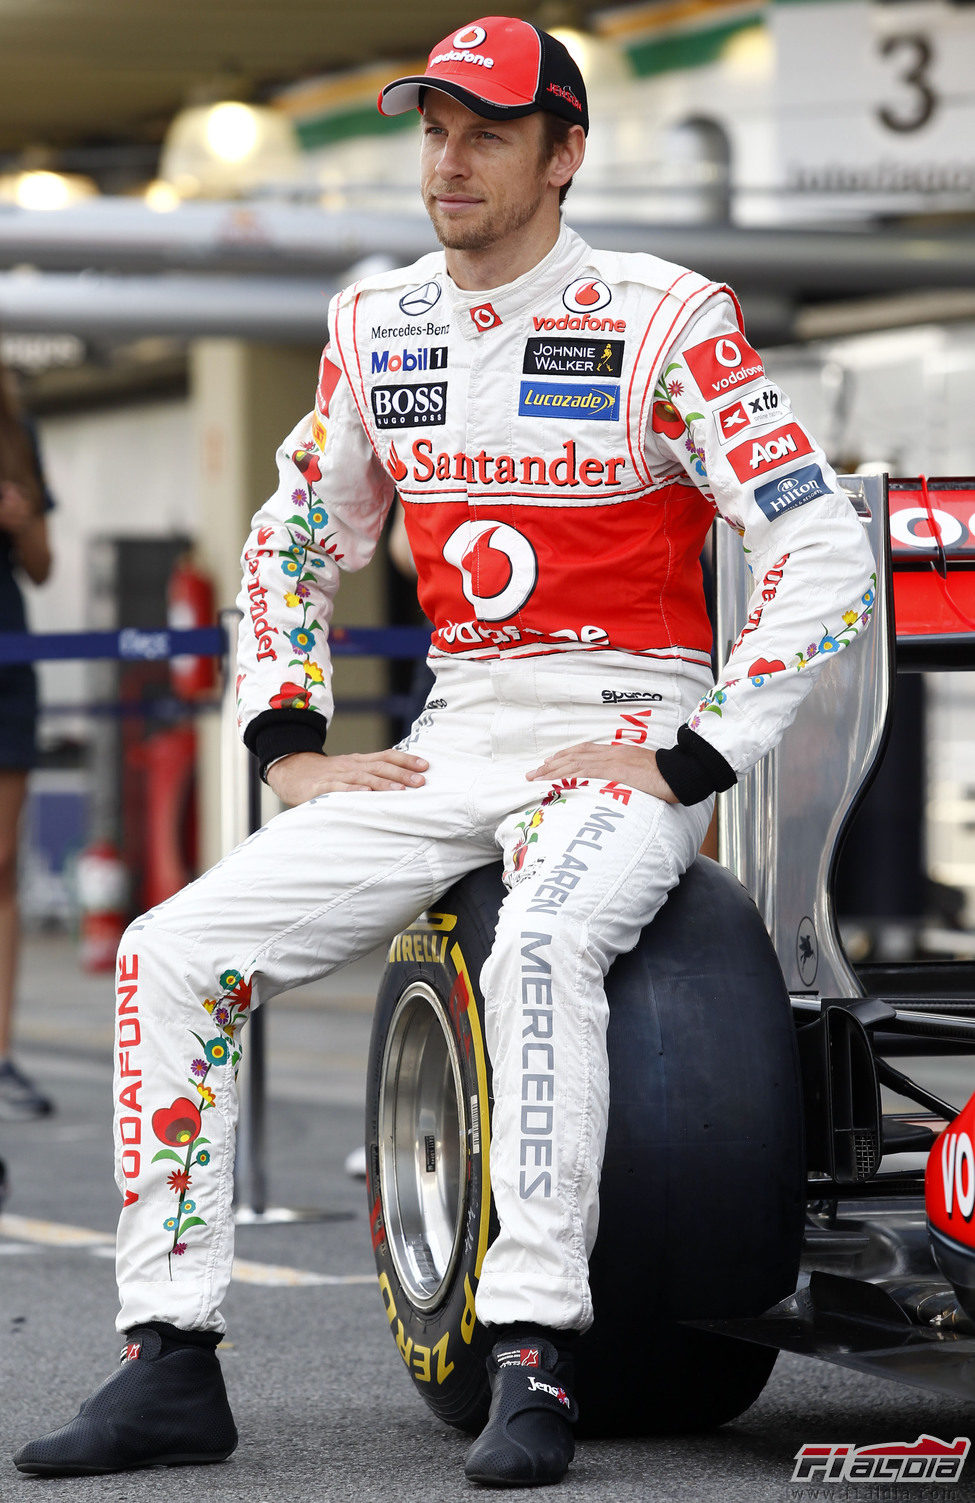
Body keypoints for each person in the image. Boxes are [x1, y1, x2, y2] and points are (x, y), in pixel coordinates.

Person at [14, 16, 876, 1487]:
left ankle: (530, 1353)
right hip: (451, 734)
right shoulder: (380, 325)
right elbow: (298, 531)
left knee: (535, 945)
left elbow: (817, 543)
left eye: (485, 130)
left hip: (620, 725)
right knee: (171, 949)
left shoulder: (666, 317)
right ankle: (170, 1356)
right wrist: (288, 737)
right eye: (432, 128)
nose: (449, 158)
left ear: (563, 153)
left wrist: (694, 753)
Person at [0, 359, 54, 1121]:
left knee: (2, 865)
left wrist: (20, 520)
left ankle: (2, 1052)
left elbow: (44, 566)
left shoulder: (18, 432)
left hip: (9, 657)